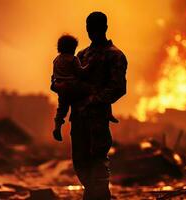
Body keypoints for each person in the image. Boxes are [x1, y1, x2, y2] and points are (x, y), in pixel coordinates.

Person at [70, 12, 127, 200]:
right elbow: (73, 83)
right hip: (78, 119)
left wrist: (95, 100)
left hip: (97, 120)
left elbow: (118, 87)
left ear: (104, 27)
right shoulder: (81, 55)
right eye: (89, 26)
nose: (91, 30)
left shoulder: (115, 56)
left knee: (98, 164)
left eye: (95, 26)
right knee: (80, 162)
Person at [50, 34, 118, 142]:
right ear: (72, 48)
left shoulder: (56, 60)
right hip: (74, 86)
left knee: (62, 109)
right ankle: (108, 113)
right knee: (94, 90)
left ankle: (57, 126)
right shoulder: (74, 59)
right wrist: (90, 65)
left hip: (62, 90)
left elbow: (54, 77)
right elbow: (81, 73)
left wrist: (56, 85)